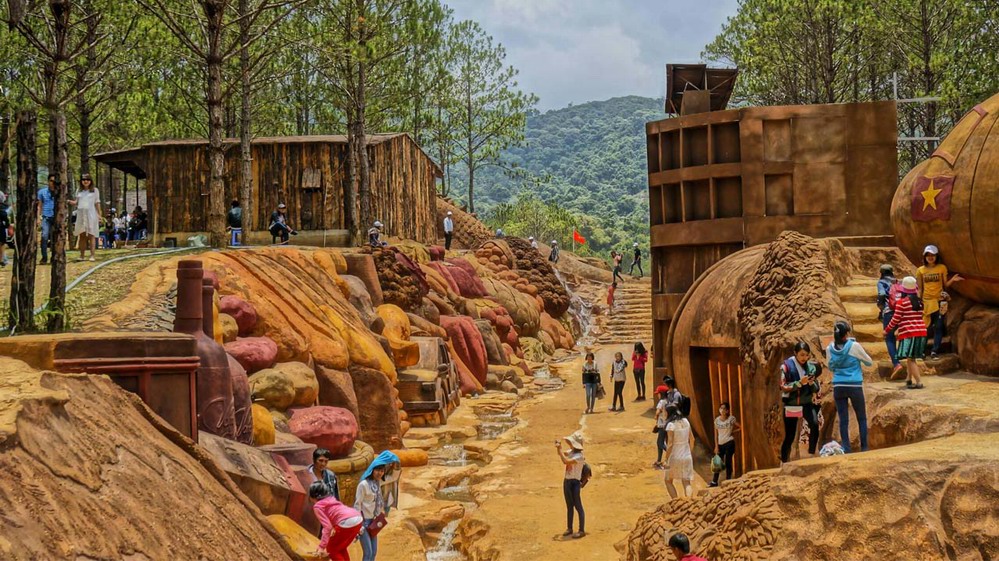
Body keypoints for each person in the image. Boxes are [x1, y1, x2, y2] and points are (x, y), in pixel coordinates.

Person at [828, 321, 873, 453]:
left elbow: (830, 366)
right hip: (854, 385)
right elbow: (869, 362)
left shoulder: (829, 348)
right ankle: (864, 447)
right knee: (861, 417)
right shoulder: (854, 346)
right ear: (846, 334)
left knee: (843, 419)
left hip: (838, 386)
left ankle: (846, 448)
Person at [917, 245, 963, 359]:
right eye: (928, 255)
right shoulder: (920, 270)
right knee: (925, 327)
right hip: (927, 302)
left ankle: (934, 351)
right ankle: (922, 351)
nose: (930, 257)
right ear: (924, 257)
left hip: (940, 301)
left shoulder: (942, 268)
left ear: (936, 256)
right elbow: (920, 288)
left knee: (938, 326)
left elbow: (945, 285)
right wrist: (919, 301)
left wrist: (953, 280)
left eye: (932, 255)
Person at [778, 342, 821, 462]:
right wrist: (799, 383)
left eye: (806, 355)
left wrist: (812, 384)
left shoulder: (811, 367)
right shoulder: (786, 366)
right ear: (795, 353)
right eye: (801, 355)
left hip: (806, 402)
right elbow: (783, 385)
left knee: (814, 424)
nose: (804, 358)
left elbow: (816, 389)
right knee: (790, 435)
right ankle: (784, 460)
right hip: (792, 404)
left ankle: (811, 453)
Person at [354, 451, 398, 561]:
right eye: (377, 470)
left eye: (382, 471)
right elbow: (357, 505)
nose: (380, 473)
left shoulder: (378, 483)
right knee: (368, 553)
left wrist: (396, 462)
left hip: (374, 522)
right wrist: (359, 525)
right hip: (364, 523)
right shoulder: (363, 485)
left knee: (373, 553)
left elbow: (394, 477)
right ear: (372, 470)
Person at [886, 276, 928, 390]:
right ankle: (908, 379)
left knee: (911, 358)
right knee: (911, 357)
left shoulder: (901, 303)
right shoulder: (920, 302)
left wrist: (887, 330)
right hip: (921, 331)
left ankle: (918, 382)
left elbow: (895, 319)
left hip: (909, 332)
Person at [309, 481, 363, 561]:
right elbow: (336, 512)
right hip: (357, 517)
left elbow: (327, 527)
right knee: (340, 548)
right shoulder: (331, 499)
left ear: (312, 496)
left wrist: (321, 546)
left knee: (332, 549)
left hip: (347, 522)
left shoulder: (318, 506)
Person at [555, 433, 586, 539]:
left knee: (578, 506)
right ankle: (569, 528)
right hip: (568, 481)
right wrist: (559, 448)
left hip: (574, 483)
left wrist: (559, 449)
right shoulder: (572, 452)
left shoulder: (580, 456)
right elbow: (562, 454)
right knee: (569, 506)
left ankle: (581, 530)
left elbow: (565, 461)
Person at [877, 264, 903, 378]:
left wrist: (880, 306)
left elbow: (882, 294)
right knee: (901, 334)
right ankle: (902, 356)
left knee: (889, 338)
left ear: (881, 273)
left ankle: (896, 363)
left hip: (889, 312)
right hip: (901, 311)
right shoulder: (897, 282)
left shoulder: (881, 282)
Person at [663, 404, 694, 499]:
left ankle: (676, 503)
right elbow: (692, 439)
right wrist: (689, 452)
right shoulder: (685, 421)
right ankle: (689, 503)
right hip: (687, 456)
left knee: (668, 480)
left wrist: (666, 459)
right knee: (686, 482)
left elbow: (670, 444)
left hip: (675, 457)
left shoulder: (671, 425)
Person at [68, 173, 101, 262]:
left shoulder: (95, 190)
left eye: (88, 180)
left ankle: (92, 255)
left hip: (91, 214)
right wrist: (69, 201)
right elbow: (76, 202)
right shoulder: (79, 190)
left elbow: (97, 203)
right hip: (81, 214)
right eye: (84, 180)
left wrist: (99, 215)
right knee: (81, 235)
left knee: (91, 234)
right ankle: (82, 255)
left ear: (90, 181)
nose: (86, 181)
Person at [711, 402, 740, 487]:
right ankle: (714, 481)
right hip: (720, 443)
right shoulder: (717, 420)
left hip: (729, 442)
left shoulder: (731, 419)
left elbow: (740, 427)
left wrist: (732, 432)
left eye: (724, 408)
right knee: (717, 463)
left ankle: (728, 479)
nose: (722, 410)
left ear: (727, 410)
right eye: (721, 408)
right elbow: (716, 434)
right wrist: (716, 446)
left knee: (728, 461)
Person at [37, 174, 56, 264]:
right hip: (46, 217)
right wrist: (38, 217)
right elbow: (39, 206)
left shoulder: (59, 192)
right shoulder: (42, 192)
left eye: (54, 181)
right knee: (44, 236)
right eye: (51, 181)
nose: (53, 183)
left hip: (56, 218)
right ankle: (44, 257)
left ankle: (55, 257)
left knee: (56, 238)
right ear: (48, 181)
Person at [653, 385, 670, 469]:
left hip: (662, 425)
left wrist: (656, 416)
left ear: (661, 394)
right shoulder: (668, 401)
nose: (657, 395)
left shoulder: (661, 402)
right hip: (667, 424)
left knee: (660, 443)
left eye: (658, 393)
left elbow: (658, 411)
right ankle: (659, 460)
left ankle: (671, 455)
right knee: (662, 442)